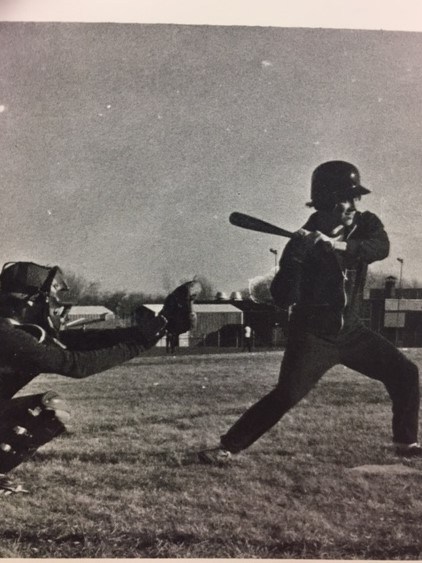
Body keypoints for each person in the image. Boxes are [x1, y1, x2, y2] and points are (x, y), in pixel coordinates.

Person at [198, 160, 420, 464]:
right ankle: (229, 446)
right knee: (287, 395)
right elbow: (282, 297)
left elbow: (379, 247)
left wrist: (337, 246)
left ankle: (405, 442)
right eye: (347, 197)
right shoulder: (300, 241)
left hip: (352, 331)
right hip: (313, 335)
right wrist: (297, 260)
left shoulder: (365, 223)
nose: (354, 204)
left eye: (356, 197)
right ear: (327, 199)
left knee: (405, 373)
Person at [0, 261, 200, 493]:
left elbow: (85, 341)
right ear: (29, 301)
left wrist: (155, 329)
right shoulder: (8, 335)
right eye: (51, 296)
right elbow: (76, 364)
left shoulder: (17, 330)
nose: (55, 304)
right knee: (48, 408)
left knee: (48, 410)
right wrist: (141, 342)